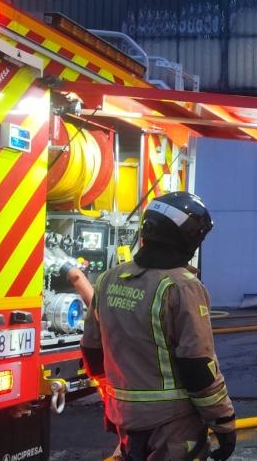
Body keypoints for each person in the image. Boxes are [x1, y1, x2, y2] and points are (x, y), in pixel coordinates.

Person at [81, 192, 236, 461]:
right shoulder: (182, 287)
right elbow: (198, 367)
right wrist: (224, 423)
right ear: (188, 238)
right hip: (173, 425)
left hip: (125, 420)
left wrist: (119, 402)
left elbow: (92, 351)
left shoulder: (109, 280)